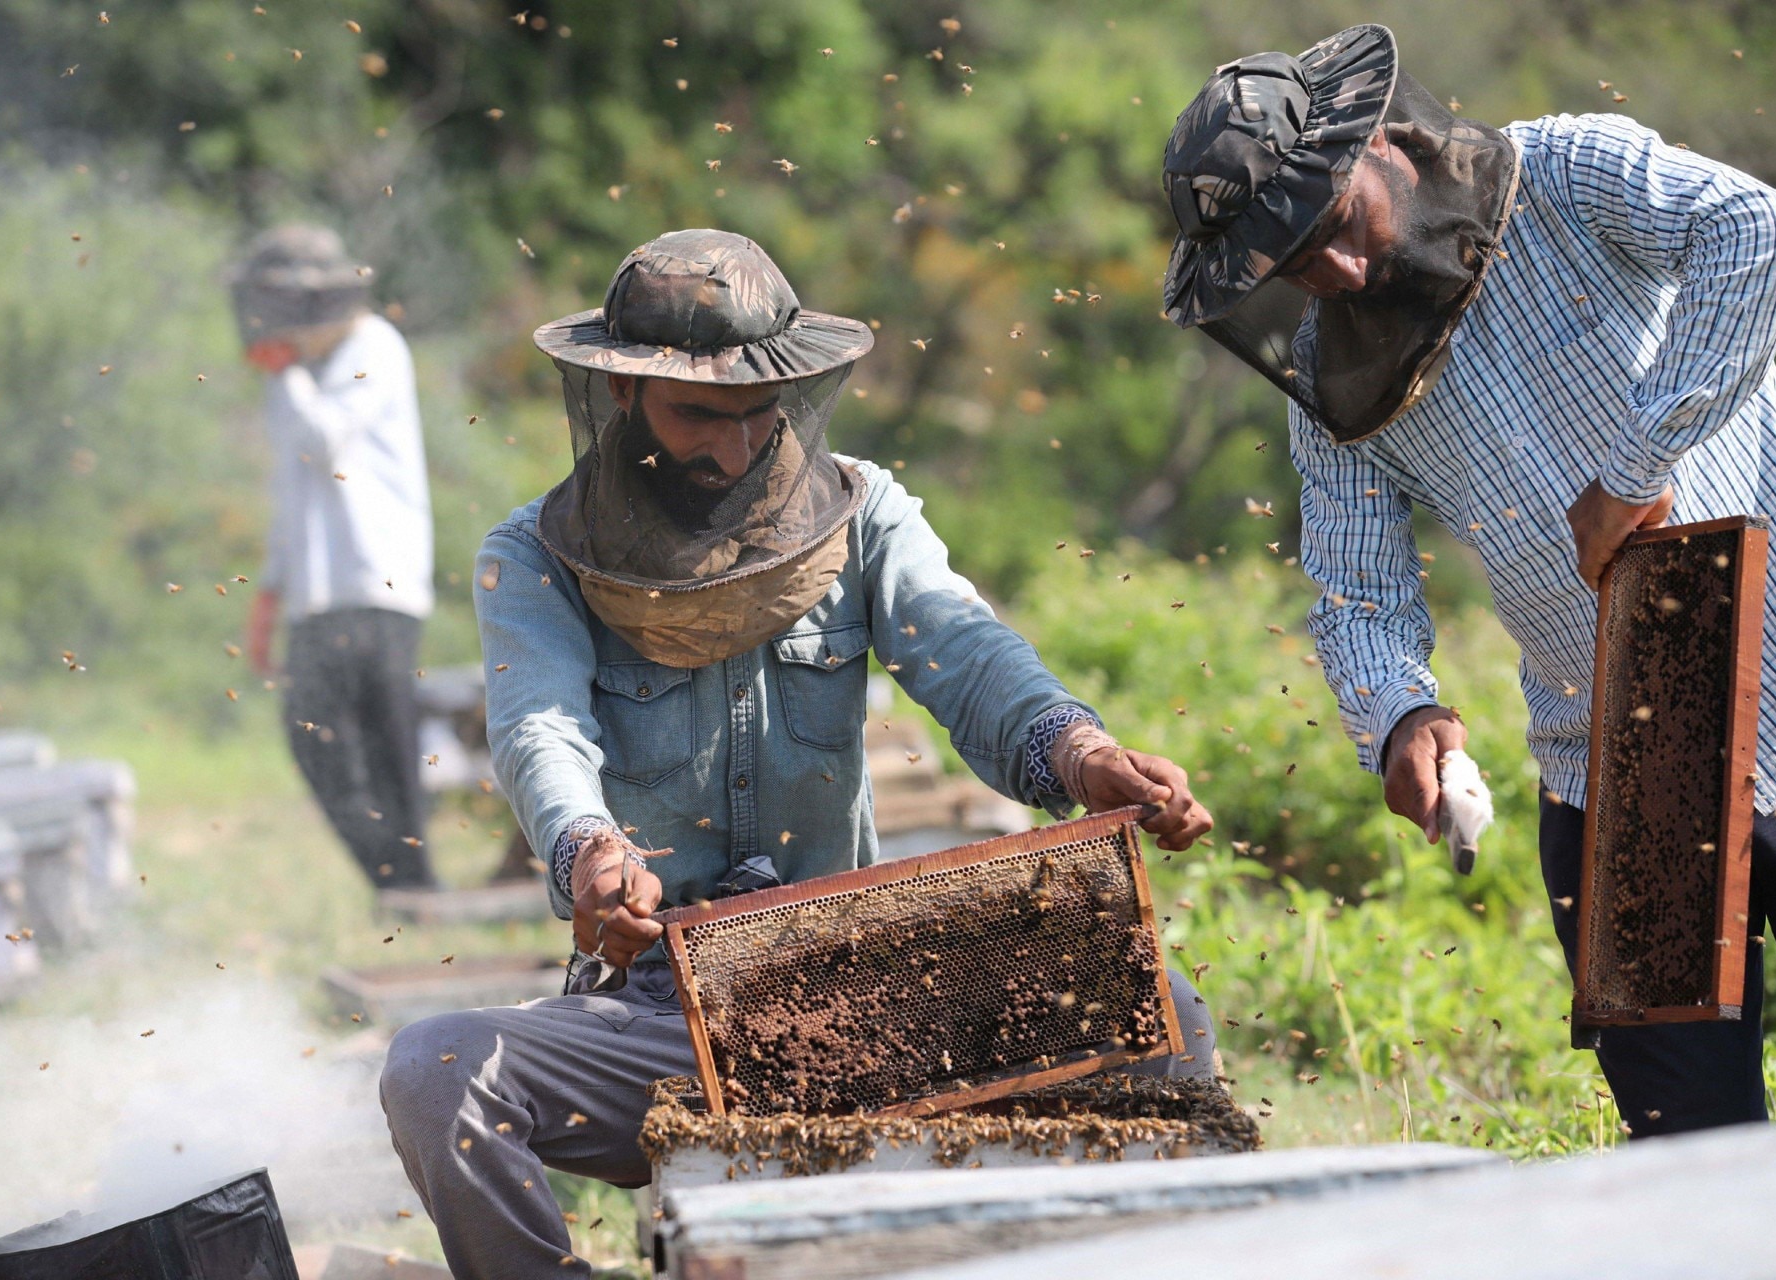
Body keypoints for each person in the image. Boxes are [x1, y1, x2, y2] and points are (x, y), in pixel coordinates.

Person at [378, 229, 1216, 1278]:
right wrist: (589, 848)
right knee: (435, 1068)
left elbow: (967, 651)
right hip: (662, 1010)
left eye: (754, 417)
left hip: (876, 980)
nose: (728, 452)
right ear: (626, 393)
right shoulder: (533, 554)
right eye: (696, 415)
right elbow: (539, 727)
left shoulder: (865, 513)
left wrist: (1078, 748)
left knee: (1162, 1006)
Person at [1159, 23, 1776, 1138]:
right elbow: (1355, 589)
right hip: (1623, 774)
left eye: (1335, 226)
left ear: (1381, 143)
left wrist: (1637, 466)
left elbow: (1768, 233)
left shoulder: (1571, 172)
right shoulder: (1332, 375)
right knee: (1693, 1169)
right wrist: (1399, 714)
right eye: (1295, 263)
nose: (1335, 271)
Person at [233, 225, 437, 892]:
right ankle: (396, 884)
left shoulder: (374, 346)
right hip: (317, 594)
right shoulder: (294, 374)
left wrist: (286, 370)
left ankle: (414, 891)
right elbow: (293, 494)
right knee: (314, 739)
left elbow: (323, 442)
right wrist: (269, 593)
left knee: (384, 752)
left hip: (375, 580)